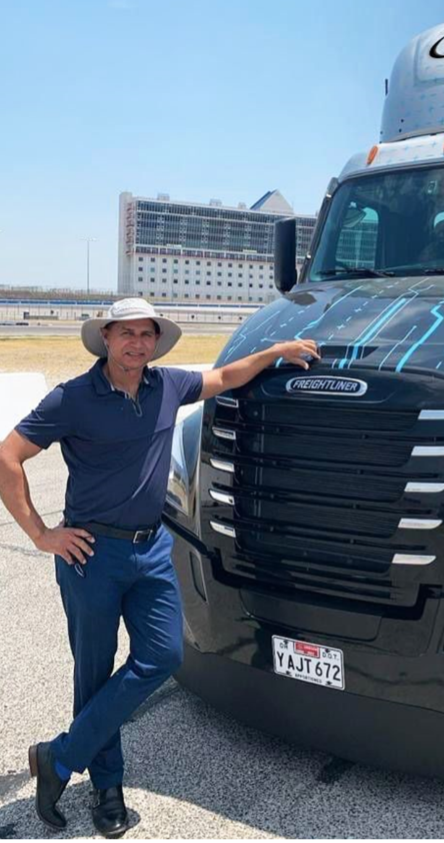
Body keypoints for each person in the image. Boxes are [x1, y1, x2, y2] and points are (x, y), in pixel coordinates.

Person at [0, 298, 319, 837]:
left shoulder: (167, 385)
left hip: (151, 552)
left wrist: (275, 351)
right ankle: (107, 787)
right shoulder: (72, 398)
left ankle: (58, 757)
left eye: (146, 334)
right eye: (126, 334)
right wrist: (41, 534)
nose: (137, 344)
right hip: (90, 555)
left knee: (163, 654)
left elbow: (223, 376)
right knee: (94, 674)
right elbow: (8, 456)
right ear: (106, 337)